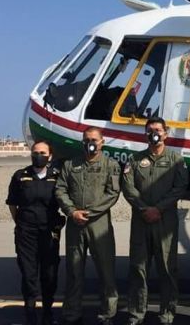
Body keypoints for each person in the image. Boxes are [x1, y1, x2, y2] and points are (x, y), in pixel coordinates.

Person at [121, 117, 189, 325]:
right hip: (141, 221)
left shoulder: (176, 160)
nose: (154, 133)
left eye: (158, 130)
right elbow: (128, 187)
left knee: (168, 269)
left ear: (166, 133)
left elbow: (180, 187)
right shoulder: (134, 159)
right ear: (145, 133)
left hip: (165, 221)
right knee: (138, 268)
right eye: (150, 130)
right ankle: (136, 314)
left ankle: (167, 314)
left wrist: (158, 209)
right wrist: (144, 208)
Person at [55, 127, 121, 325]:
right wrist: (72, 211)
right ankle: (72, 313)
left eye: (93, 139)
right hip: (75, 223)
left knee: (106, 271)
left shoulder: (111, 165)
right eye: (86, 139)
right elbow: (60, 189)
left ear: (102, 142)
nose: (89, 143)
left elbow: (113, 193)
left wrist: (90, 213)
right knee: (74, 271)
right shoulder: (70, 165)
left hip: (99, 224)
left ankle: (108, 314)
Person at [7, 140, 65, 325]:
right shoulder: (20, 176)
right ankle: (30, 312)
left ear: (50, 156)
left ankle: (48, 311)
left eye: (42, 152)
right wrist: (21, 223)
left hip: (49, 232)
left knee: (49, 273)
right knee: (29, 273)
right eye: (35, 152)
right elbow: (12, 204)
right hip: (27, 232)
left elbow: (65, 200)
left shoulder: (57, 177)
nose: (38, 155)